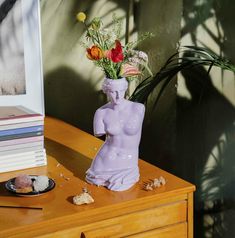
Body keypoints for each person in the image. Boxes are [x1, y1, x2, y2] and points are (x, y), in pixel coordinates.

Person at [86, 78, 145, 191]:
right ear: (106, 91)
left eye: (121, 91)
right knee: (94, 182)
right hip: (105, 161)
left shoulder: (138, 108)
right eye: (113, 92)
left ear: (125, 89)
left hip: (129, 163)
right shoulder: (101, 113)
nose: (118, 96)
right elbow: (98, 133)